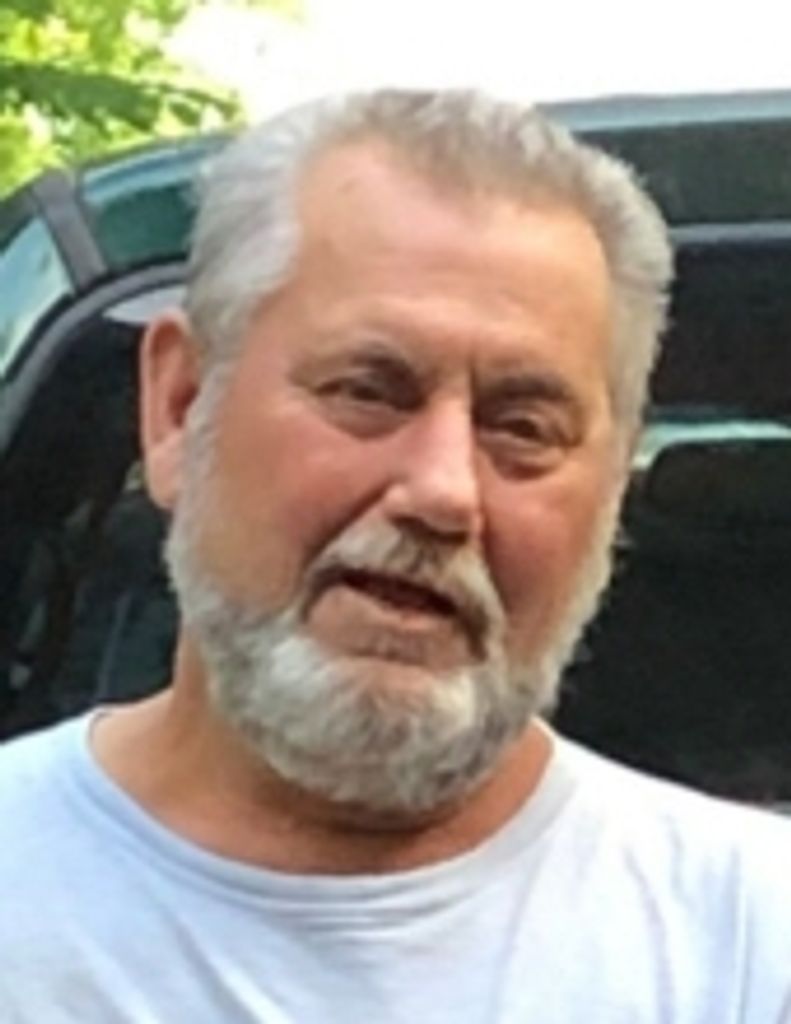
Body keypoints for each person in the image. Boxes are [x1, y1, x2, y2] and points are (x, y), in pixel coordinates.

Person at [1, 88, 789, 1023]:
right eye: (368, 391)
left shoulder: (749, 945)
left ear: (611, 484)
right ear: (179, 407)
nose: (443, 491)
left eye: (522, 427)